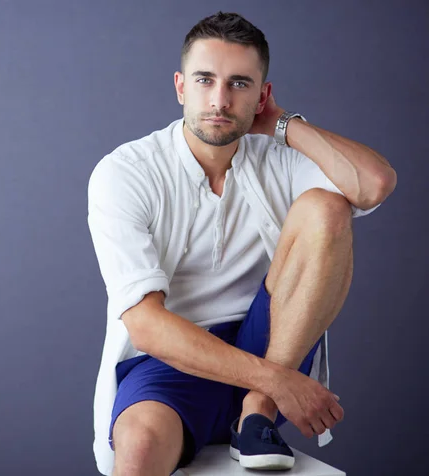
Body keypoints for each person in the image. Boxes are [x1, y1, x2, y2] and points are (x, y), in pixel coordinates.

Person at [87, 11, 397, 476]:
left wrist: (284, 126)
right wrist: (279, 381)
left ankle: (255, 414)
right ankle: (258, 398)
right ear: (180, 87)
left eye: (239, 84)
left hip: (271, 342)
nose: (219, 99)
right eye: (205, 80)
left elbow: (372, 184)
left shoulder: (279, 158)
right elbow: (148, 326)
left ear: (262, 95)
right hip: (176, 358)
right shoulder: (126, 172)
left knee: (327, 207)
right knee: (139, 448)